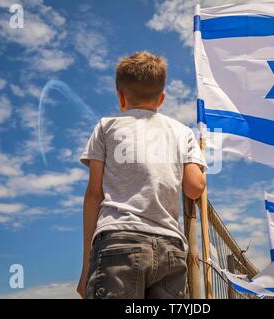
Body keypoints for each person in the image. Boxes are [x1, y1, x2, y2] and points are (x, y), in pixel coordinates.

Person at [77, 51, 206, 299]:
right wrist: (198, 161)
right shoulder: (182, 132)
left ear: (121, 97)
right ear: (162, 98)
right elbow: (194, 188)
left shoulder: (106, 126)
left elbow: (94, 194)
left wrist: (86, 267)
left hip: (118, 242)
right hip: (170, 247)